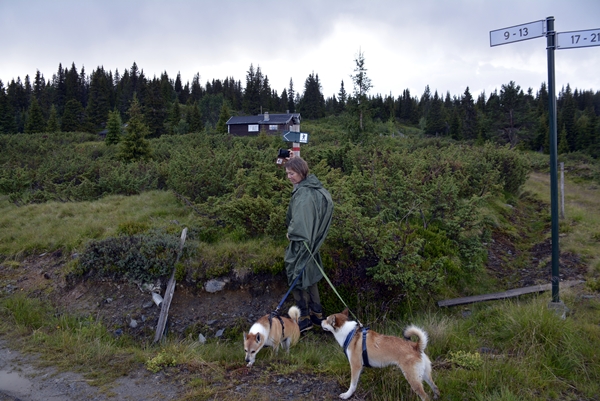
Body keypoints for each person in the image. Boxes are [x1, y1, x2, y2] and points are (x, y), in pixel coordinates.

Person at [284, 156, 334, 332]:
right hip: (314, 244)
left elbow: (300, 223)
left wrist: (292, 233)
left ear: (301, 172)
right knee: (310, 276)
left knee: (296, 276)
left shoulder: (305, 194)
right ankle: (317, 317)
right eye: (287, 173)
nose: (289, 177)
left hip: (302, 244)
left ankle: (304, 320)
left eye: (292, 173)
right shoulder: (317, 189)